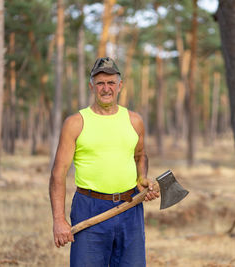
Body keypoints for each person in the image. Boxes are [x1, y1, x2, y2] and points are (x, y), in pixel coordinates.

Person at [49, 57, 159, 266]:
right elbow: (58, 174)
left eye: (110, 82)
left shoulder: (134, 120)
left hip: (130, 208)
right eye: (100, 83)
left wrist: (142, 178)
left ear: (120, 86)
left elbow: (140, 155)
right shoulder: (76, 123)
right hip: (89, 207)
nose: (106, 88)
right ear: (92, 86)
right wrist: (58, 220)